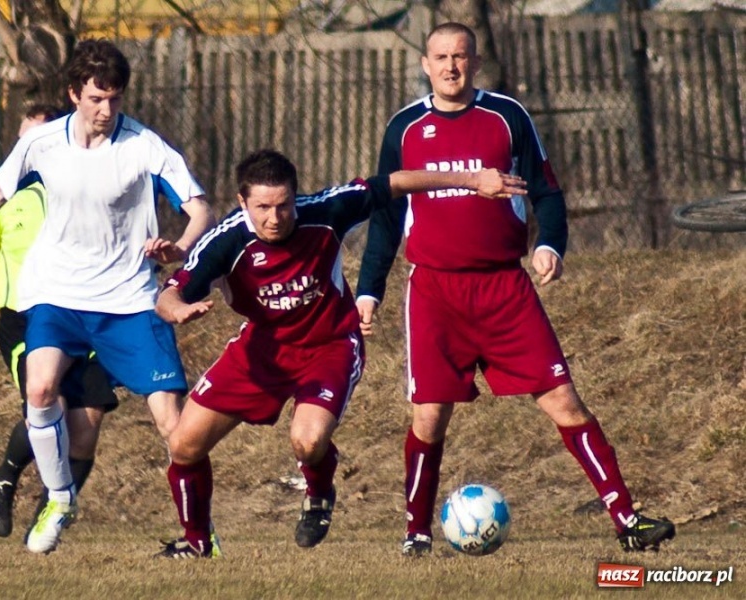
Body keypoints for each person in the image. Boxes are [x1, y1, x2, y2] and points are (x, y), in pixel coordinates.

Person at [355, 22, 676, 556]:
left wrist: (550, 244)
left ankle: (627, 520)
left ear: (475, 62)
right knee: (429, 418)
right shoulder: (405, 128)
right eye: (440, 57)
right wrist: (370, 289)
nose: (450, 66)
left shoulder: (507, 117)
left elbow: (548, 193)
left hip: (505, 287)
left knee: (566, 403)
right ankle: (416, 532)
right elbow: (386, 217)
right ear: (424, 64)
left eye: (460, 56)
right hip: (435, 292)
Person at [0, 39, 216, 554]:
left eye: (114, 99)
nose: (107, 111)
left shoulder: (144, 146)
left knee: (173, 427)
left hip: (130, 300)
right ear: (74, 94)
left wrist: (178, 246)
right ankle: (62, 496)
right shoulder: (43, 142)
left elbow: (200, 207)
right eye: (96, 99)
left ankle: (202, 536)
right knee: (40, 391)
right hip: (58, 295)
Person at [153, 148, 527, 558]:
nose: (275, 218)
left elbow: (394, 183)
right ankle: (197, 542)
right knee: (184, 445)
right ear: (243, 203)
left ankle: (318, 493)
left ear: (296, 196)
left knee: (308, 441)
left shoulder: (326, 211)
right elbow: (169, 293)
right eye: (262, 208)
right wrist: (179, 310)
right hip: (263, 349)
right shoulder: (226, 240)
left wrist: (472, 181)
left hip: (328, 346)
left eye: (283, 205)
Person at [0, 104, 119, 540]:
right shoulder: (7, 203)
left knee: (87, 426)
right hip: (24, 321)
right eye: (24, 142)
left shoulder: (90, 194)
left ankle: (52, 511)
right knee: (50, 403)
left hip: (85, 316)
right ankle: (4, 478)